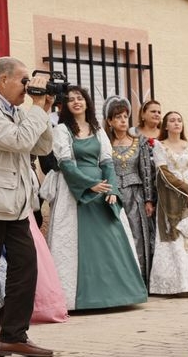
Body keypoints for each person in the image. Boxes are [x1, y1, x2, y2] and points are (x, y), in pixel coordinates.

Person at [0, 57, 55, 357]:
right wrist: (35, 109)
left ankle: (12, 335)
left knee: (25, 268)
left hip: (17, 204)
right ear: (3, 79)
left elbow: (42, 147)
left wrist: (42, 109)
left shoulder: (17, 110)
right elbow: (17, 140)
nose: (28, 87)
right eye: (24, 81)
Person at [47, 86, 148, 310]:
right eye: (71, 99)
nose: (76, 102)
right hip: (76, 190)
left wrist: (111, 190)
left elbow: (107, 162)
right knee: (75, 243)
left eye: (79, 98)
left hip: (102, 189)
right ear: (64, 105)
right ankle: (76, 300)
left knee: (111, 238)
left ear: (87, 102)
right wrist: (89, 184)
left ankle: (120, 295)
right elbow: (65, 163)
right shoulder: (62, 130)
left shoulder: (97, 129)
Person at [149, 110, 188, 295]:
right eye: (172, 120)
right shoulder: (160, 146)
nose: (176, 123)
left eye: (179, 120)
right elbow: (163, 173)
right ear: (165, 125)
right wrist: (185, 189)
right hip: (171, 197)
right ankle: (179, 284)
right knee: (175, 238)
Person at [104, 96, 156, 288]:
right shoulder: (105, 143)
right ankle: (119, 284)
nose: (123, 120)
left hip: (136, 194)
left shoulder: (139, 142)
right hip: (113, 195)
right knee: (117, 237)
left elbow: (146, 172)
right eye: (118, 117)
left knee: (137, 236)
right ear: (109, 121)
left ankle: (140, 281)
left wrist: (149, 199)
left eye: (125, 116)